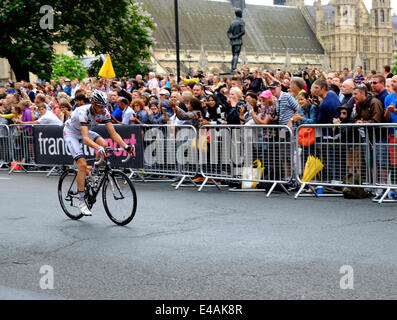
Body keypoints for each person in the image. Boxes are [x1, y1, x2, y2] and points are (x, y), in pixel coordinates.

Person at [63, 89, 133, 216]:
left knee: (105, 144)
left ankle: (94, 172)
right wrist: (98, 148)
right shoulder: (83, 112)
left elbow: (113, 133)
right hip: (71, 133)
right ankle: (81, 200)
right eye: (100, 106)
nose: (103, 109)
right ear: (94, 103)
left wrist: (126, 146)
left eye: (104, 106)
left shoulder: (104, 112)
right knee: (82, 165)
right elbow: (85, 138)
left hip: (85, 131)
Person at [227, 8, 245, 72]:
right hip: (238, 41)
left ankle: (232, 68)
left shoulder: (232, 22)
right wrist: (236, 36)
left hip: (233, 42)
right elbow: (243, 32)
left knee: (234, 55)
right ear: (240, 14)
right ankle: (234, 67)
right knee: (236, 54)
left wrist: (231, 37)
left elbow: (228, 32)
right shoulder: (241, 22)